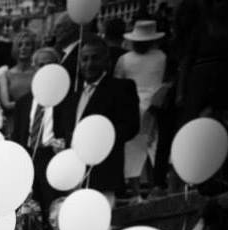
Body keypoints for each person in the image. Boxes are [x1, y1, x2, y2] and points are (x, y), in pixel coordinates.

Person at [54, 36, 140, 206]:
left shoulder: (121, 88)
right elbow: (65, 132)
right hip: (74, 177)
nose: (89, 64)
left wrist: (101, 140)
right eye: (85, 59)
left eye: (95, 58)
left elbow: (131, 126)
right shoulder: (72, 98)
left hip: (104, 173)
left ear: (106, 61)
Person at [114, 20, 168, 202]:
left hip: (157, 106)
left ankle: (156, 185)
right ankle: (136, 189)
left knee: (154, 145)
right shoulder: (125, 59)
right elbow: (119, 83)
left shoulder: (161, 57)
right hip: (133, 106)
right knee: (133, 147)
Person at [11, 47, 64, 215]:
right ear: (34, 69)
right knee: (28, 210)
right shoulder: (23, 102)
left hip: (52, 157)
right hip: (27, 157)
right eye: (41, 65)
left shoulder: (66, 100)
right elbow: (17, 136)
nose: (45, 70)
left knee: (52, 208)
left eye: (49, 65)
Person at [0, 30, 39, 117]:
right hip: (13, 119)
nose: (23, 48)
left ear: (33, 48)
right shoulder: (5, 75)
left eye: (27, 44)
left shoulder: (38, 73)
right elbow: (6, 104)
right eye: (20, 45)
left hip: (33, 118)